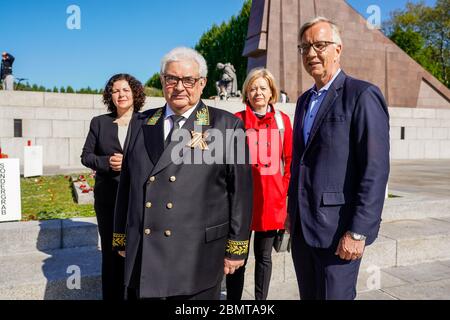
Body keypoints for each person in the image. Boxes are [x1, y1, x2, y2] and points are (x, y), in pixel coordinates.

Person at [112, 47, 253, 300]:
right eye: (171, 79)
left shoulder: (227, 125)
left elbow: (240, 192)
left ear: (202, 84)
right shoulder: (141, 123)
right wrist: (121, 237)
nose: (179, 87)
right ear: (162, 80)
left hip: (196, 255)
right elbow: (127, 184)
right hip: (145, 253)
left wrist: (237, 248)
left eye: (188, 80)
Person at [288, 17, 390, 300]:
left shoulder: (362, 95)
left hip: (339, 232)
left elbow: (375, 169)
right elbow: (301, 161)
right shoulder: (303, 101)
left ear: (338, 49)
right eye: (305, 47)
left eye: (320, 45)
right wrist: (291, 212)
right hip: (303, 229)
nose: (311, 53)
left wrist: (359, 231)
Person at [226, 68, 292, 300]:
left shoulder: (282, 121)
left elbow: (290, 160)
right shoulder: (236, 120)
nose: (258, 92)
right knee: (237, 257)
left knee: (264, 257)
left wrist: (283, 191)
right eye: (253, 88)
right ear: (246, 91)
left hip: (271, 202)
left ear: (271, 91)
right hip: (241, 204)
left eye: (263, 88)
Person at [81, 73, 146, 300]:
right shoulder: (99, 123)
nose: (121, 94)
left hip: (138, 198)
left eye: (126, 90)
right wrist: (106, 162)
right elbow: (86, 156)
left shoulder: (147, 121)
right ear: (110, 95)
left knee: (137, 250)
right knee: (110, 252)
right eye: (116, 90)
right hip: (108, 198)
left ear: (135, 93)